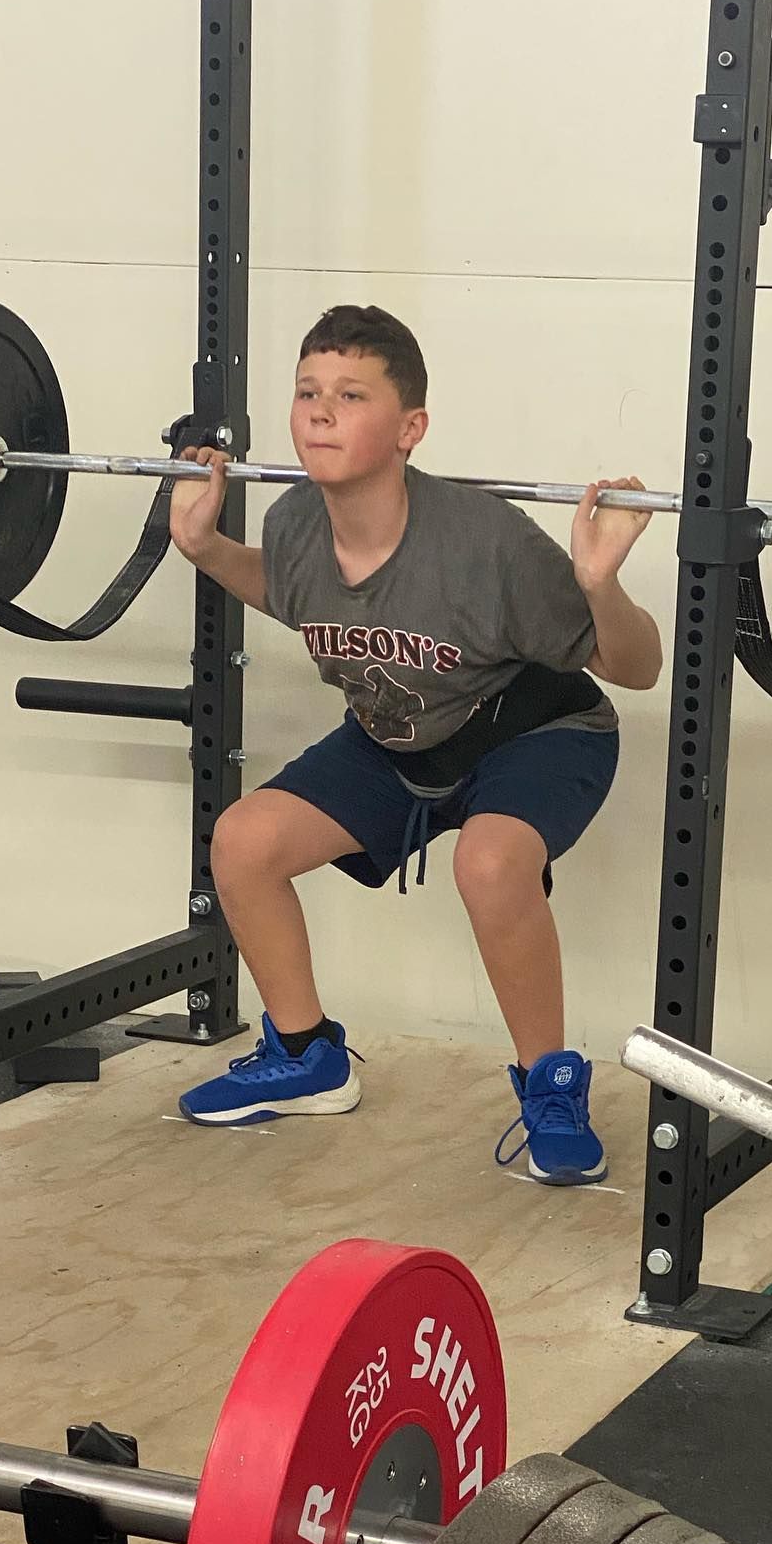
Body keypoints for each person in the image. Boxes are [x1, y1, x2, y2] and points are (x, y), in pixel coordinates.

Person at [168, 304, 660, 1184]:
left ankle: (548, 1084)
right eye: (307, 391)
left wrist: (597, 583)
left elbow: (637, 666)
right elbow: (292, 593)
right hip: (399, 741)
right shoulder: (291, 526)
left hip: (536, 729)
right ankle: (308, 1056)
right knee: (244, 842)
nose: (319, 412)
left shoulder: (486, 544)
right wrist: (205, 548)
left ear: (409, 429)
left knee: (488, 863)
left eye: (350, 395)